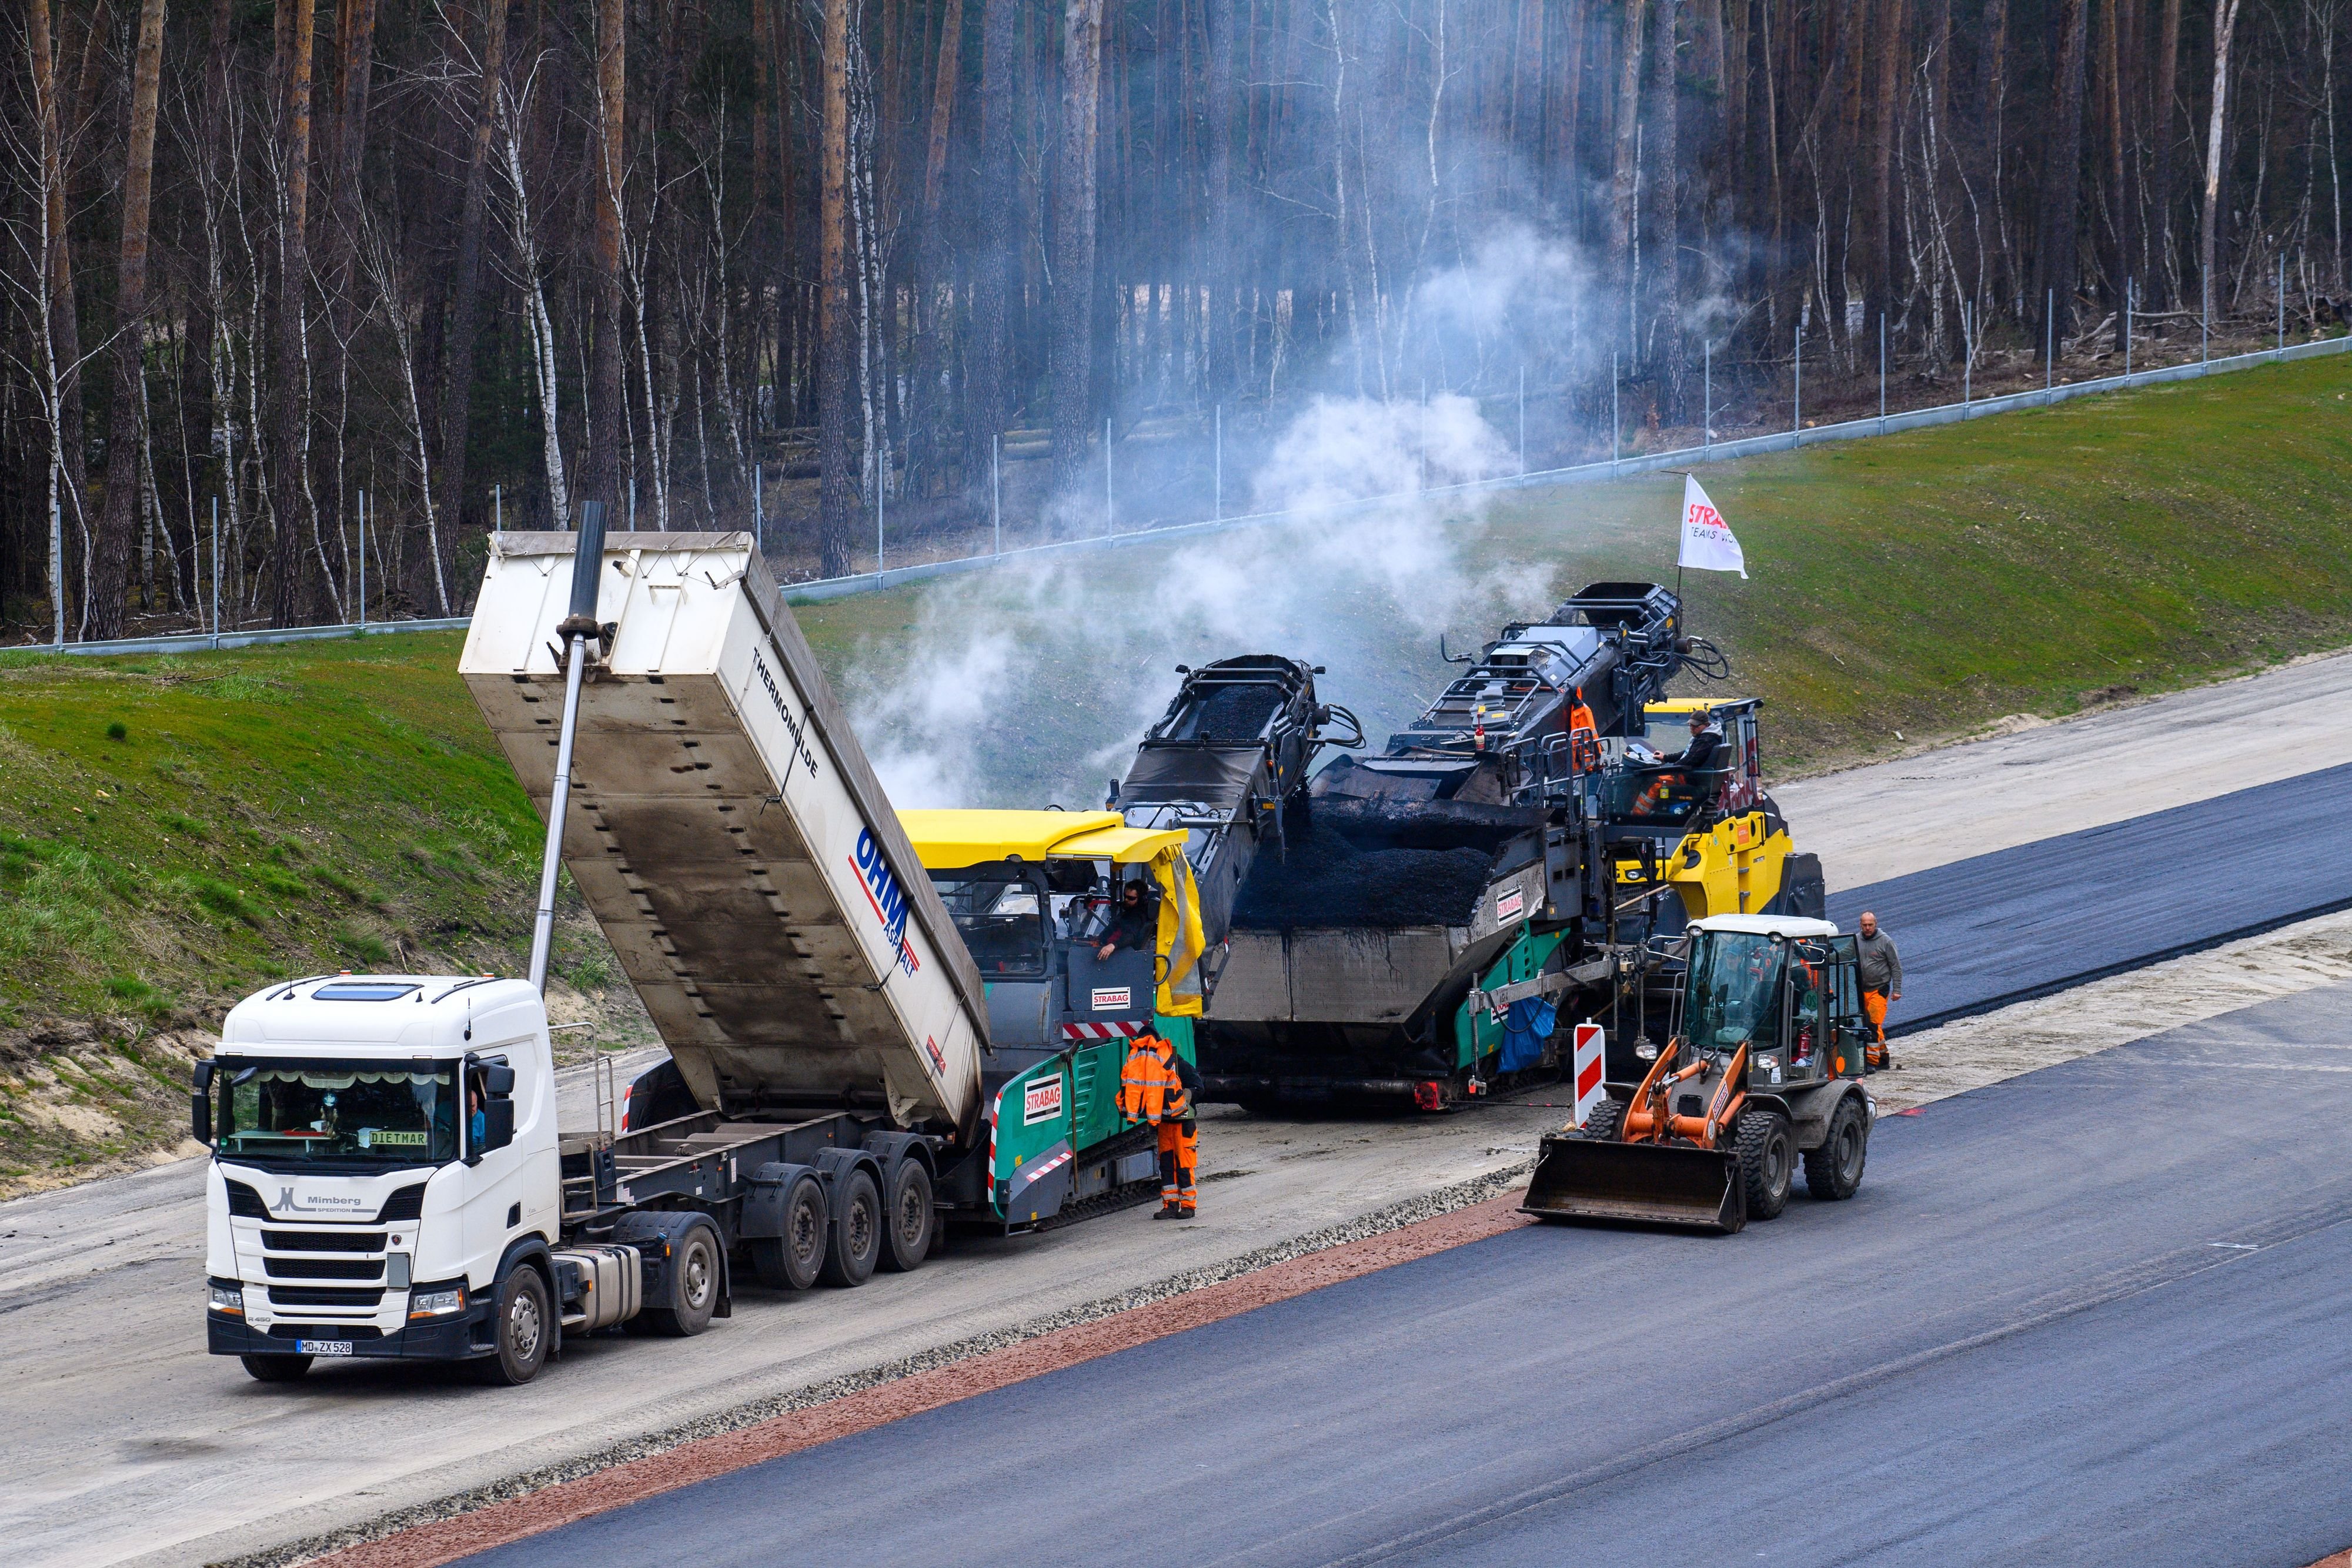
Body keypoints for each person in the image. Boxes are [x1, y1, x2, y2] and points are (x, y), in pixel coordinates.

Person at [1118, 1031, 1202, 1218]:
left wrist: (1183, 1100)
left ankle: (1188, 1205)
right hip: (1165, 1124)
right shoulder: (1147, 1066)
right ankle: (1171, 1205)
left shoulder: (1174, 1062)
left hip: (1183, 1124)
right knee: (1166, 1165)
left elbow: (1198, 1087)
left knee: (1184, 1165)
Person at [1856, 910, 1903, 1069]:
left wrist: (1897, 989)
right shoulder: (1856, 940)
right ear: (1860, 925)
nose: (1868, 928)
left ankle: (1871, 1061)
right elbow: (1844, 956)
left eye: (1870, 925)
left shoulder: (1885, 941)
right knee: (1871, 1025)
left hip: (1879, 989)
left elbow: (1896, 966)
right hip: (1862, 990)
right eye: (1865, 925)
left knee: (1873, 1025)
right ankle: (1884, 1058)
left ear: (1876, 924)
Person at [1094, 878, 1153, 962]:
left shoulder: (1137, 917)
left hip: (1118, 957)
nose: (1126, 900)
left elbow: (1130, 936)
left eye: (1131, 898)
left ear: (1141, 899)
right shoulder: (1128, 913)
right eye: (1125, 896)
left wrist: (1112, 946)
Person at [1566, 687, 1601, 773]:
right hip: (1578, 748)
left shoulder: (1584, 712)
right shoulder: (1578, 710)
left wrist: (1590, 766)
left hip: (1584, 751)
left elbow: (1590, 736)